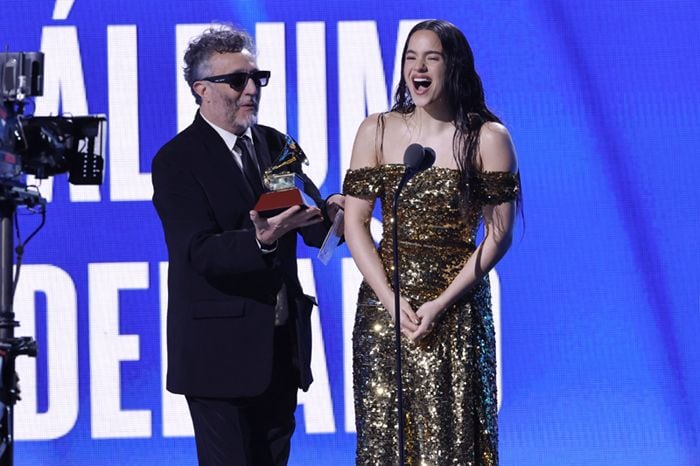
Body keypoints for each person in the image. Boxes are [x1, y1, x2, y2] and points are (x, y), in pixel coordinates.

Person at [151, 24, 343, 466]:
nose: (251, 90)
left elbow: (307, 225)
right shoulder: (177, 160)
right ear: (201, 90)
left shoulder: (275, 144)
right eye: (237, 80)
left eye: (258, 78)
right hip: (217, 355)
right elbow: (197, 251)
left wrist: (337, 213)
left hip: (279, 351)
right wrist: (260, 241)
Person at [343, 19, 521, 465]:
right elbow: (356, 222)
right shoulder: (377, 131)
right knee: (385, 440)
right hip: (385, 313)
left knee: (453, 440)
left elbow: (498, 236)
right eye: (410, 57)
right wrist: (389, 298)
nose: (418, 68)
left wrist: (439, 304)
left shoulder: (487, 138)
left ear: (453, 66)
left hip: (456, 311)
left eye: (432, 58)